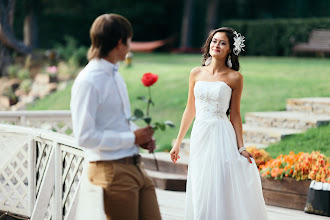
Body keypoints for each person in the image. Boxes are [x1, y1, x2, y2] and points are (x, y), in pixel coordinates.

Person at [170, 27, 268, 220]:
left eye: (223, 42)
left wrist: (241, 147)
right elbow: (190, 109)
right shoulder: (196, 73)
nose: (217, 45)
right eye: (214, 41)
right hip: (200, 134)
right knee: (200, 183)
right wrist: (177, 142)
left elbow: (236, 115)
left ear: (230, 49)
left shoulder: (235, 78)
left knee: (218, 183)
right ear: (209, 44)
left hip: (220, 134)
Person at [70, 13, 162, 220]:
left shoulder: (115, 75)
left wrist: (141, 138)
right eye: (129, 40)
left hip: (136, 166)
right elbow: (84, 136)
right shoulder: (88, 81)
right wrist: (132, 138)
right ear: (120, 42)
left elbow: (118, 121)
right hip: (110, 171)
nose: (130, 46)